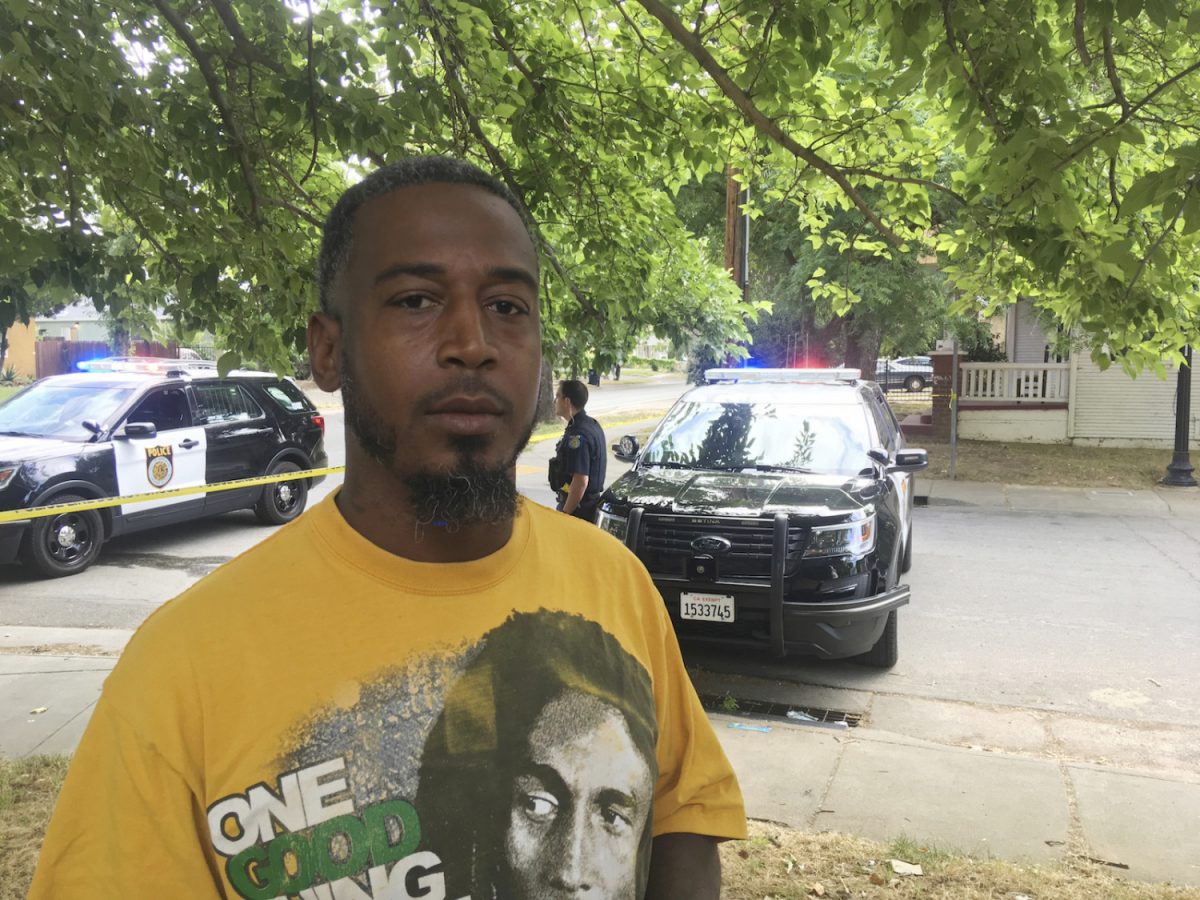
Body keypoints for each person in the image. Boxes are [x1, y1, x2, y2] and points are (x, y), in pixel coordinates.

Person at [29, 155, 745, 900]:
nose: (473, 342)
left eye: (508, 306)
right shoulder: (181, 668)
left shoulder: (612, 581)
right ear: (328, 349)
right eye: (415, 300)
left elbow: (685, 817)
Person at [416, 609, 657, 899]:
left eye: (612, 817)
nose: (570, 872)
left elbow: (688, 822)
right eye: (538, 805)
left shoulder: (633, 589)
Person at [550, 378, 606, 521]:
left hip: (578, 510)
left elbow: (580, 481)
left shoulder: (577, 435)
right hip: (588, 506)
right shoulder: (592, 425)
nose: (554, 401)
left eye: (557, 396)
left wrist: (565, 514)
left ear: (567, 401)